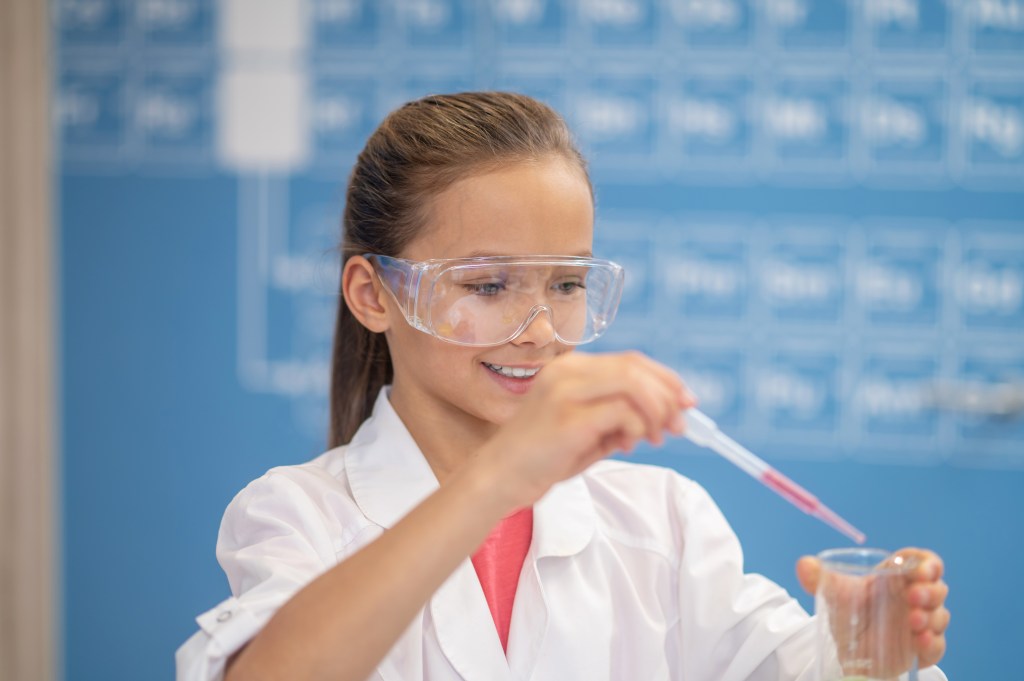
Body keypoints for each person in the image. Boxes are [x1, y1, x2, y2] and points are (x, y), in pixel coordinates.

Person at [176, 92, 950, 681]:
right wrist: (498, 476)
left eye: (569, 283)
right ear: (374, 294)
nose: (541, 329)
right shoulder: (296, 512)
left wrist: (866, 654)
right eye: (487, 285)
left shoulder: (662, 524)